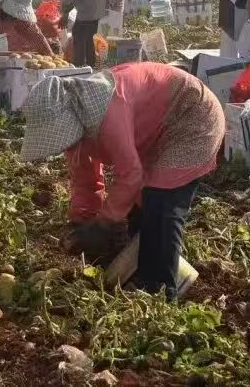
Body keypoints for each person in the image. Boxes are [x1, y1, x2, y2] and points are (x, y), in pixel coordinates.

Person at [20, 63, 224, 299]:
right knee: (140, 210)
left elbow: (130, 174)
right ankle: (142, 274)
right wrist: (82, 222)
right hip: (156, 131)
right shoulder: (75, 133)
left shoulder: (108, 110)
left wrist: (103, 222)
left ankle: (162, 290)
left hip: (192, 114)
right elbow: (85, 180)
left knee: (161, 203)